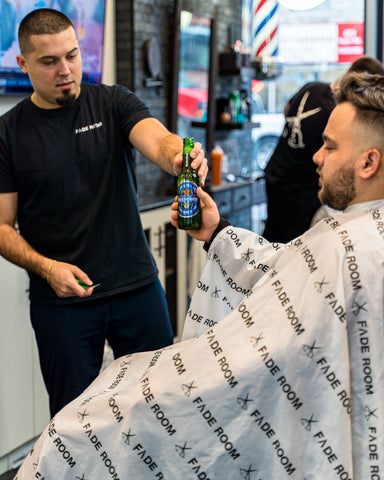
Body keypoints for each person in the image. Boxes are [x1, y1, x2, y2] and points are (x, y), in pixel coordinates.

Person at [14, 71, 384, 479]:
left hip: (143, 301)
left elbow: (268, 358)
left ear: (369, 162)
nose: (314, 156)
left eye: (328, 147)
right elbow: (278, 269)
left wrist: (164, 395)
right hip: (63, 305)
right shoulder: (351, 235)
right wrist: (216, 232)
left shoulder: (349, 245)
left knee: (77, 428)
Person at [0, 8, 207, 418]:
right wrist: (46, 269)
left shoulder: (113, 102)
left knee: (163, 409)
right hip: (62, 301)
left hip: (135, 287)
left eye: (73, 55)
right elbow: (3, 226)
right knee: (76, 425)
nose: (66, 70)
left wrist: (180, 157)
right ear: (22, 63)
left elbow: (159, 140)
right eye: (49, 61)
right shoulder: (8, 134)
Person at [262, 55, 384, 243]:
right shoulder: (339, 113)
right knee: (295, 246)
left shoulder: (312, 86)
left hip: (275, 170)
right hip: (300, 186)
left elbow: (287, 108)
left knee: (272, 237)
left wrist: (297, 133)